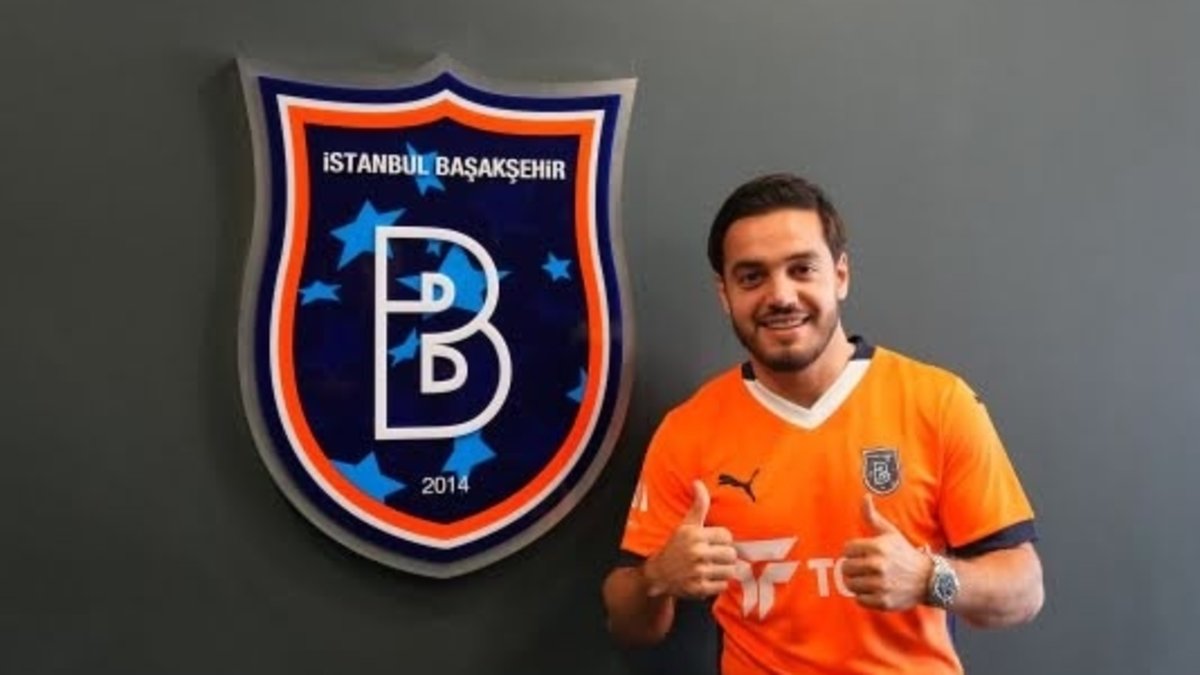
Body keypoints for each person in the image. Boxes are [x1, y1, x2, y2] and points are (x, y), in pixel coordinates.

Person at [602, 173, 1044, 674]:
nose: (780, 295)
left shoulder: (938, 403)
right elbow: (631, 625)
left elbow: (1024, 590)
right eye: (752, 277)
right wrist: (658, 577)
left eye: (801, 269)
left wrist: (929, 578)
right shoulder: (689, 430)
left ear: (840, 275)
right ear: (724, 294)